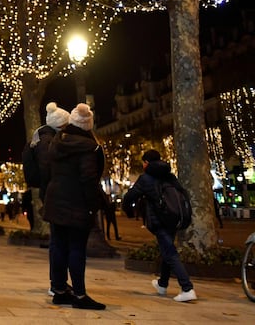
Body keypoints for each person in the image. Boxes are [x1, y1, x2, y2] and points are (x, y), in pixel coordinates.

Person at [42, 103, 106, 310]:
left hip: (55, 200)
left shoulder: (56, 142)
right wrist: (93, 204)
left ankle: (59, 290)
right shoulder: (88, 148)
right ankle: (79, 294)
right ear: (88, 125)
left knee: (59, 247)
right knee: (77, 248)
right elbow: (89, 178)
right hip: (77, 202)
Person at [122, 150, 197, 302]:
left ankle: (187, 288)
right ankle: (162, 285)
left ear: (147, 163)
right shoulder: (170, 176)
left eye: (143, 162)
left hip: (159, 221)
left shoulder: (146, 179)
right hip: (174, 219)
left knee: (169, 252)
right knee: (166, 250)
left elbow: (130, 197)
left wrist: (128, 211)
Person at [37, 101, 71, 297]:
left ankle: (58, 282)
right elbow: (47, 169)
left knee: (58, 240)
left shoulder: (43, 138)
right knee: (58, 241)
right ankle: (57, 283)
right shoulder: (50, 142)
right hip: (54, 194)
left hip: (52, 193)